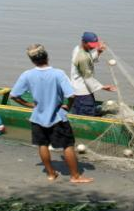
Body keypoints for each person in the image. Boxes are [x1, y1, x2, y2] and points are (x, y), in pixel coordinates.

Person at [10, 44, 93, 184]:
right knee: (67, 145)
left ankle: (50, 174)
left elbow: (14, 95)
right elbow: (71, 95)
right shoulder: (58, 74)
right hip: (57, 117)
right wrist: (68, 106)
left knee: (42, 144)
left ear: (32, 60)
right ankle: (75, 176)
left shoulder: (27, 75)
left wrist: (29, 105)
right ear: (47, 57)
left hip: (38, 117)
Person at [69, 32, 116, 116]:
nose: (92, 47)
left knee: (80, 112)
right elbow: (88, 79)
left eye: (95, 45)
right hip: (83, 94)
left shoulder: (78, 49)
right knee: (87, 114)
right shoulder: (82, 58)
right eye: (91, 45)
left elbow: (89, 60)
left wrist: (98, 52)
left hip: (79, 91)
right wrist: (103, 87)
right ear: (83, 42)